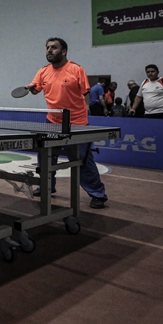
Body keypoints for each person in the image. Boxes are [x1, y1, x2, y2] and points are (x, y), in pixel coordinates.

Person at [25, 37, 108, 209]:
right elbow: (36, 89)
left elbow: (86, 93)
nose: (49, 50)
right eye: (47, 47)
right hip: (52, 121)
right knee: (46, 156)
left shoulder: (76, 69)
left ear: (63, 51)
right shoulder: (43, 71)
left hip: (77, 122)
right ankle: (47, 186)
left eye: (54, 47)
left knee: (82, 160)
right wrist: (31, 89)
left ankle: (97, 194)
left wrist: (85, 111)